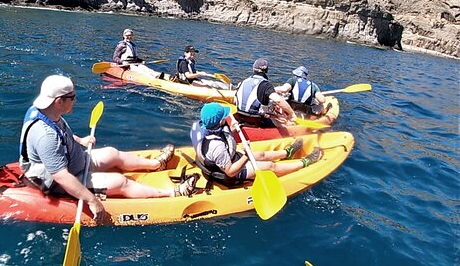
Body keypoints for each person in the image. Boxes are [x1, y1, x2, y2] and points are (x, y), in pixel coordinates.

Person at [19, 75, 198, 224]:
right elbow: (61, 176)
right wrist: (92, 200)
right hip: (60, 180)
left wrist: (80, 140)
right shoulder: (45, 135)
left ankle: (155, 165)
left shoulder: (45, 111)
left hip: (74, 161)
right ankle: (171, 193)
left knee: (112, 153)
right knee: (120, 182)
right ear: (58, 101)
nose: (76, 100)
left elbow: (60, 137)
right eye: (73, 97)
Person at [190, 103, 322, 186]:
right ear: (219, 122)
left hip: (226, 158)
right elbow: (230, 172)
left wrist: (234, 128)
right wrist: (246, 155)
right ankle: (305, 162)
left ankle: (287, 153)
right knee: (270, 166)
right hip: (227, 174)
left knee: (260, 154)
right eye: (223, 117)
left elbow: (222, 133)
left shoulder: (202, 126)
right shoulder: (216, 147)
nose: (226, 118)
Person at [234, 58, 296, 126]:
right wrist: (292, 113)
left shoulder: (243, 82)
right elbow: (278, 100)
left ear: (253, 68)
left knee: (272, 116)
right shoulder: (266, 85)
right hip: (255, 119)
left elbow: (235, 100)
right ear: (266, 70)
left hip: (239, 116)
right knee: (286, 124)